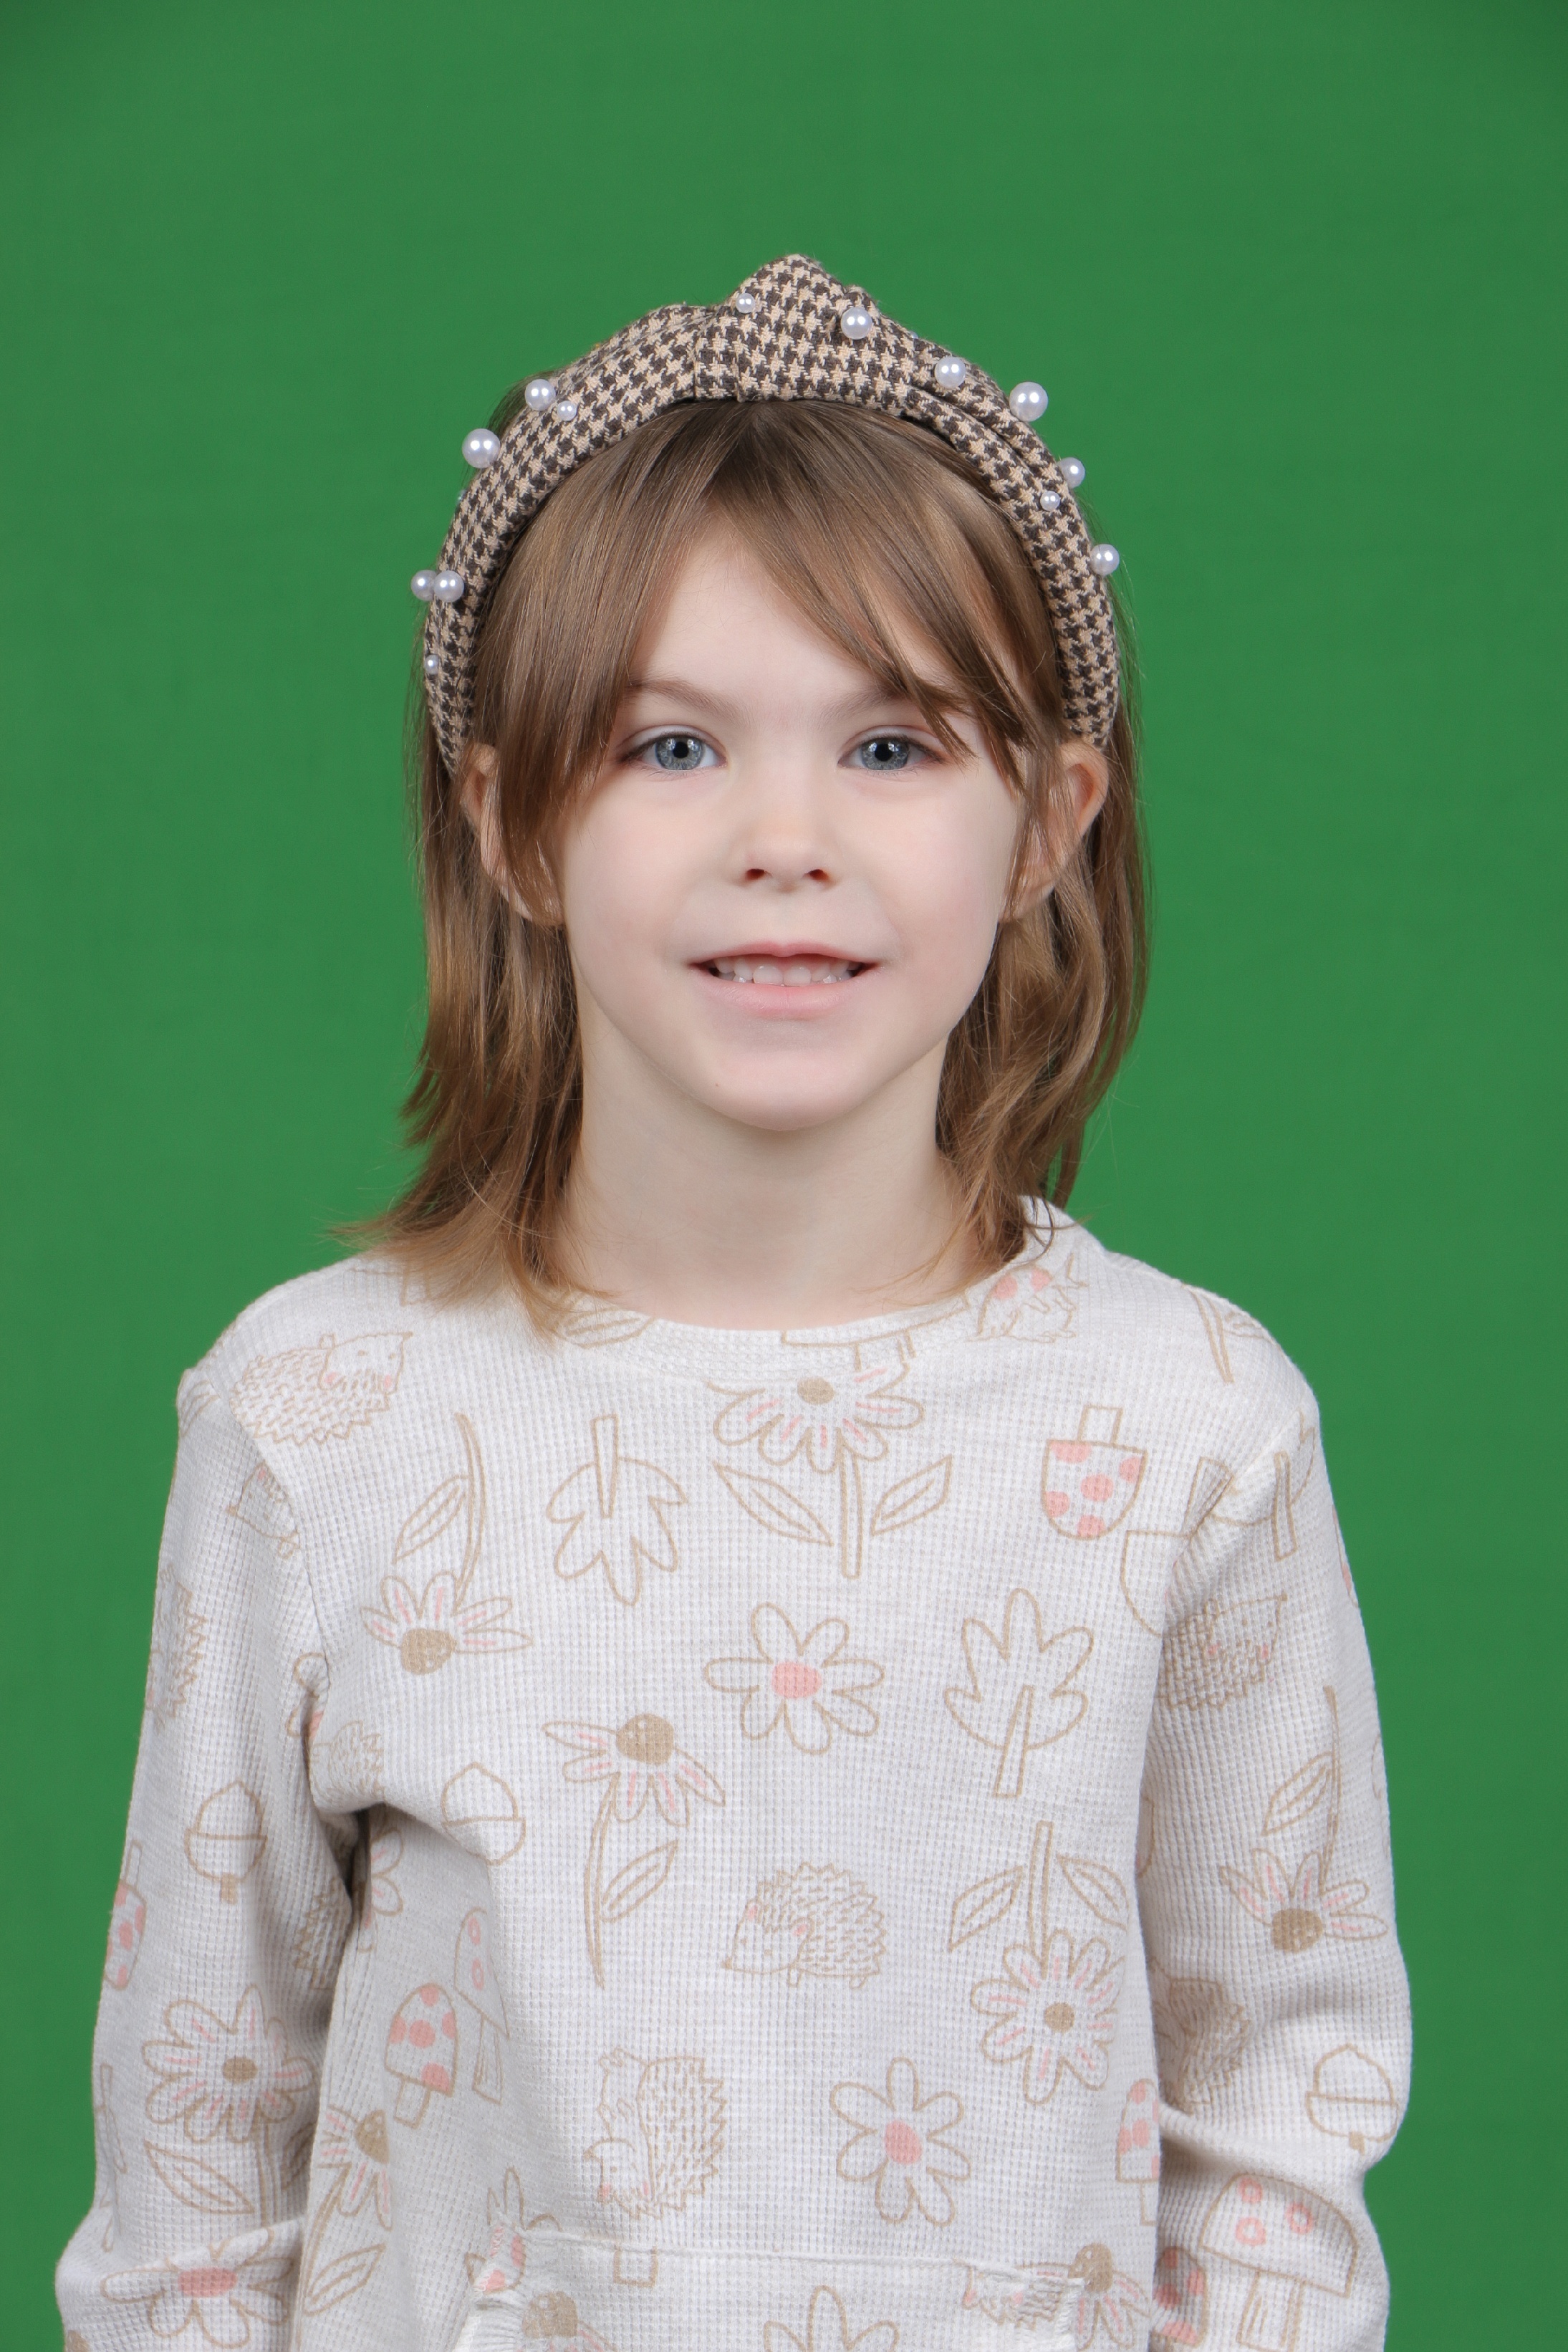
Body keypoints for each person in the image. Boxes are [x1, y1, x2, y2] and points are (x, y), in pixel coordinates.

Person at [59, 256, 1409, 2352]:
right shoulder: (316, 1417)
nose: (787, 837)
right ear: (511, 824)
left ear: (1047, 821)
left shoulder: (1189, 1427)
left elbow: (1273, 2128)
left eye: (890, 742)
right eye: (672, 744)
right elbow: (196, 2165)